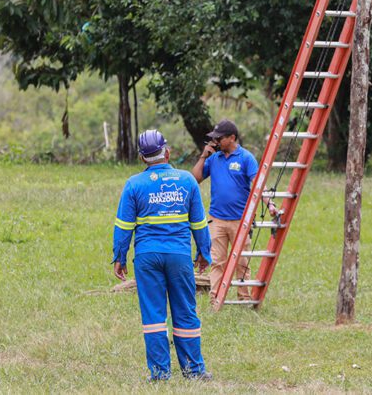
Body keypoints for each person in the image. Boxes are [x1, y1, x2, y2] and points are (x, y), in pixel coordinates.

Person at [112, 130, 212, 381]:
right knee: (185, 312)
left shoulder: (134, 184)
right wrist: (204, 252)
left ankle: (159, 374)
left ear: (142, 158)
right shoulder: (187, 181)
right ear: (167, 152)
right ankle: (194, 371)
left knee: (154, 317)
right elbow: (199, 223)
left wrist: (119, 257)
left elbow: (123, 226)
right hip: (178, 256)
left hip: (147, 257)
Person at [192, 119, 280, 307]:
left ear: (232, 138)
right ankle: (215, 300)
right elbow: (195, 179)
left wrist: (270, 204)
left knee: (242, 261)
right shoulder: (213, 158)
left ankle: (244, 299)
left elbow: (258, 184)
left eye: (219, 138)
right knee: (217, 261)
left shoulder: (246, 158)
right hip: (216, 219)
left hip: (241, 220)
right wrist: (203, 157)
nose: (215, 142)